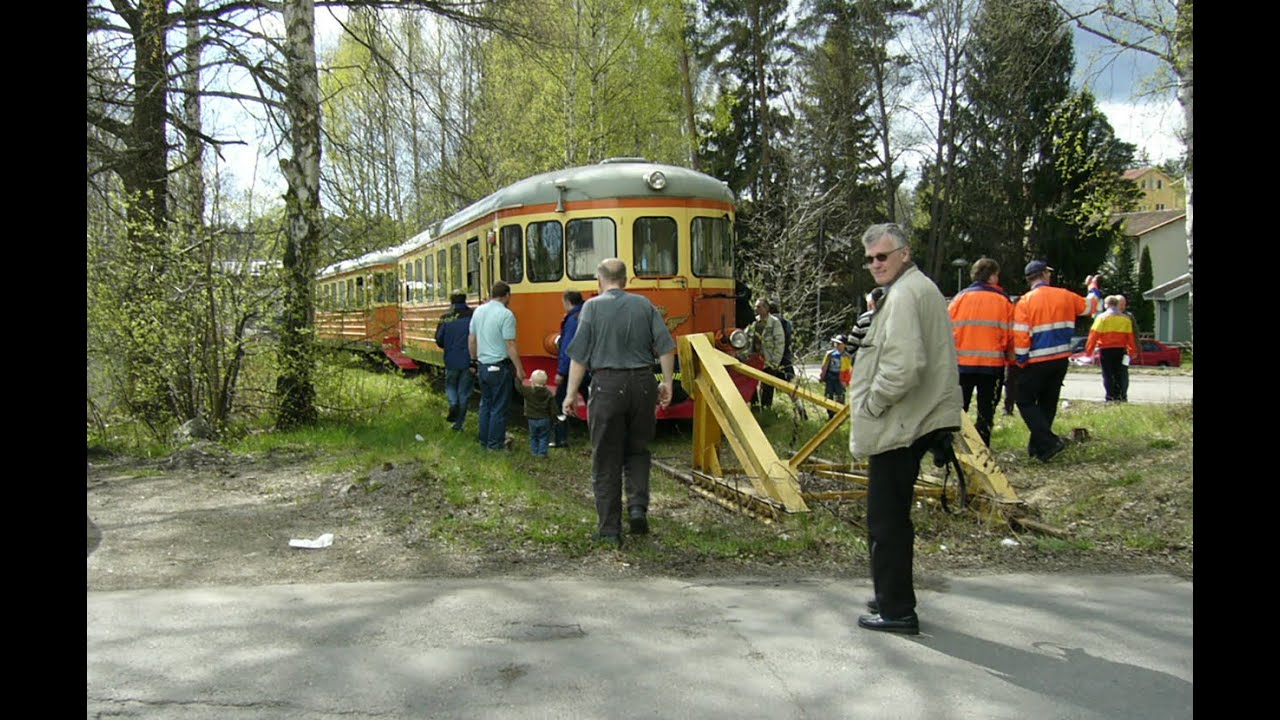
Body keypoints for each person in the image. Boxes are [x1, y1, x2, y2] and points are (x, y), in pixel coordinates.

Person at [847, 222, 961, 635]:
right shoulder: (911, 290)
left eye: (883, 256)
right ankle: (889, 595)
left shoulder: (905, 294)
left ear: (904, 254)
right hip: (913, 417)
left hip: (901, 421)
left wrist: (873, 403)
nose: (875, 264)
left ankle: (896, 610)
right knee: (891, 516)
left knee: (886, 520)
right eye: (870, 259)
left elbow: (905, 365)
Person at [562, 258, 676, 548]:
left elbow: (579, 356)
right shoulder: (644, 305)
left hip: (608, 385)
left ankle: (610, 530)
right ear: (625, 280)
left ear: (599, 281)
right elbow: (666, 346)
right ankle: (637, 508)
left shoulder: (592, 307)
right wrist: (667, 382)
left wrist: (571, 393)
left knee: (606, 457)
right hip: (643, 384)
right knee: (637, 449)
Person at [1013, 260, 1103, 462]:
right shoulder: (1064, 295)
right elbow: (1091, 306)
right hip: (1061, 359)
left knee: (1024, 400)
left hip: (1037, 360)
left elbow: (1021, 336)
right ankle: (1039, 449)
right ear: (1044, 274)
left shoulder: (1025, 302)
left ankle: (1048, 442)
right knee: (1048, 403)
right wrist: (1092, 286)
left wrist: (1021, 360)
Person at [947, 258, 1014, 447]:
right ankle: (982, 448)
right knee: (986, 411)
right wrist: (1011, 359)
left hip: (962, 366)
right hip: (991, 367)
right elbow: (1011, 334)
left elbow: (946, 331)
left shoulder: (959, 299)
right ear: (992, 276)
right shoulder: (1003, 301)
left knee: (958, 410)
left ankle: (956, 448)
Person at [468, 281, 526, 451]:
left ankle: (484, 441)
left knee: (485, 405)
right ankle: (495, 445)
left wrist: (473, 360)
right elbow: (510, 344)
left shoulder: (478, 311)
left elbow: (472, 339)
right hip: (499, 366)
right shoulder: (506, 315)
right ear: (507, 295)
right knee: (499, 407)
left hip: (483, 366)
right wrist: (519, 368)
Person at [434, 292, 475, 432]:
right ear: (465, 300)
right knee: (464, 393)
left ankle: (453, 403)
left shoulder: (446, 318)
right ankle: (458, 425)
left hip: (451, 359)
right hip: (469, 360)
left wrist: (449, 346)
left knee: (451, 385)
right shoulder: (472, 316)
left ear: (451, 302)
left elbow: (439, 339)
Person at [552, 290, 588, 449]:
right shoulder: (586, 314)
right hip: (590, 367)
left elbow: (568, 347)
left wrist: (561, 372)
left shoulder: (573, 319)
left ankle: (561, 439)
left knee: (560, 402)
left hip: (574, 369)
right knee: (593, 400)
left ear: (567, 302)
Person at [1085, 295, 1139, 402]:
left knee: (1108, 374)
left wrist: (1089, 350)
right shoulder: (1125, 319)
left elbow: (1093, 335)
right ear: (1117, 304)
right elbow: (1130, 337)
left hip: (1106, 350)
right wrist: (1132, 350)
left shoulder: (1102, 318)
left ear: (1106, 305)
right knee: (1119, 374)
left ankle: (1110, 396)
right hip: (1121, 350)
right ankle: (1120, 396)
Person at [749, 297, 786, 408]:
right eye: (756, 307)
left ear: (766, 308)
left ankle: (766, 408)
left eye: (759, 307)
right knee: (751, 384)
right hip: (754, 359)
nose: (756, 309)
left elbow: (779, 343)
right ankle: (755, 406)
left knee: (767, 387)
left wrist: (775, 362)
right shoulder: (754, 322)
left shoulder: (774, 322)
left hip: (768, 361)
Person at [514, 369, 558, 456]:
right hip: (545, 419)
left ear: (532, 382)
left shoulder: (528, 391)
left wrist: (518, 378)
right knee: (544, 436)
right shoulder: (548, 393)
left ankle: (534, 452)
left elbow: (519, 388)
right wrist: (555, 418)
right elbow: (554, 408)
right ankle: (542, 453)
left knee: (533, 436)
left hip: (531, 419)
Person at [1115, 294, 1141, 401]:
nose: (1123, 306)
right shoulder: (1108, 316)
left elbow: (1135, 333)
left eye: (1124, 304)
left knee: (1123, 372)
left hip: (1125, 351)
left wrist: (1135, 349)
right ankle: (1113, 395)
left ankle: (1123, 395)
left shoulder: (1129, 316)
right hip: (1111, 350)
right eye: (1120, 304)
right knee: (1111, 374)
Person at [818, 335, 851, 419]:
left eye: (839, 344)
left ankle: (840, 416)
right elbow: (824, 366)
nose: (837, 345)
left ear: (844, 345)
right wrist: (822, 376)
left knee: (840, 396)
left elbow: (848, 370)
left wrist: (846, 381)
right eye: (836, 343)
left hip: (840, 379)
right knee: (829, 396)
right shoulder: (830, 354)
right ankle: (830, 415)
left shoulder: (847, 356)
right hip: (830, 377)